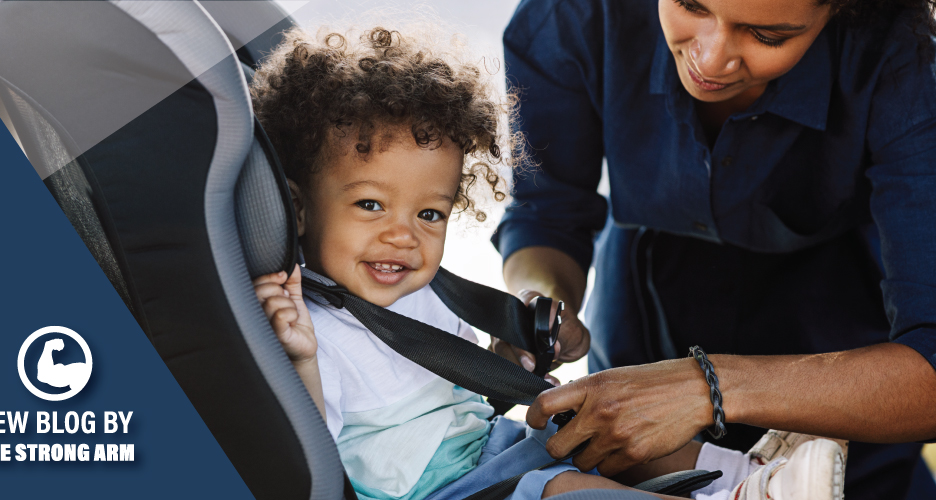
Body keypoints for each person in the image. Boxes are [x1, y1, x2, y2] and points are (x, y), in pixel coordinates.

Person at [248, 24, 849, 500]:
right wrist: (299, 358)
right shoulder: (309, 330)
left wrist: (502, 361)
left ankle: (753, 471)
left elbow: (451, 400)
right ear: (298, 208)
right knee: (560, 490)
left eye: (429, 214)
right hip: (446, 491)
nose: (401, 236)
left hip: (489, 449)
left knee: (605, 421)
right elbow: (308, 461)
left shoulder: (419, 293)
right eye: (371, 204)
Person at [491, 0, 936, 498]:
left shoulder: (910, 58)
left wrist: (709, 386)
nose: (711, 58)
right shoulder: (570, 16)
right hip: (639, 316)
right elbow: (547, 211)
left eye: (767, 36)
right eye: (690, 5)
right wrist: (542, 304)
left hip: (844, 356)